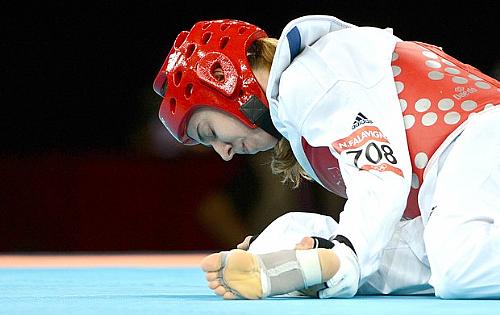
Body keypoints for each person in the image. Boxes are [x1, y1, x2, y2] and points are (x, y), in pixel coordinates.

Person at [153, 15, 500, 299]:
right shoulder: (301, 115)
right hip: (448, 177)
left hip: (478, 137)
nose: (224, 154)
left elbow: (380, 175)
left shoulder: (311, 75)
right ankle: (304, 267)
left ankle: (329, 265)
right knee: (294, 239)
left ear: (223, 80)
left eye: (210, 133)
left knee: (459, 268)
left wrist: (346, 252)